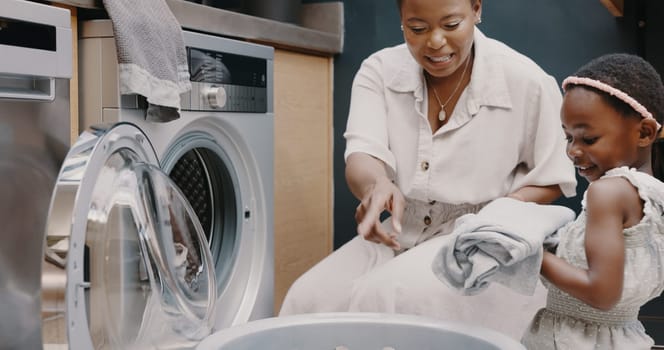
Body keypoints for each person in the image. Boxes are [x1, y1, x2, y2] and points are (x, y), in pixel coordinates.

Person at [279, 0, 577, 339]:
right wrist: (377, 185)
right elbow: (363, 153)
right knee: (307, 300)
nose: (435, 42)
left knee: (383, 298)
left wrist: (497, 215)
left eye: (451, 25)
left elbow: (554, 177)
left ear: (476, 9)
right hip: (400, 229)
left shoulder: (526, 81)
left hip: (476, 238)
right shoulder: (379, 70)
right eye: (417, 29)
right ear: (402, 20)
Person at [521, 53, 664, 349]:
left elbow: (601, 293)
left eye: (588, 139)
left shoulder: (607, 193)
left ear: (644, 132)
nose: (573, 151)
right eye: (568, 138)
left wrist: (528, 254)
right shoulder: (654, 196)